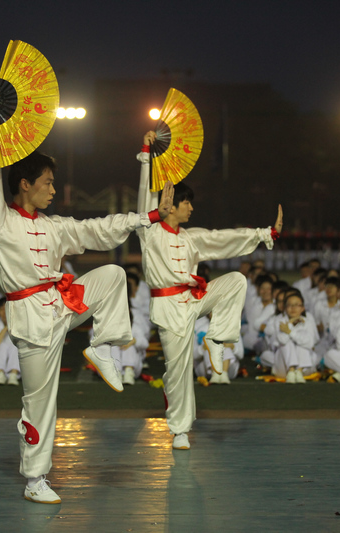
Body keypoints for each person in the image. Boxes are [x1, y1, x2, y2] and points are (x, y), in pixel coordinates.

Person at [0, 92, 174, 504]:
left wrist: (148, 217)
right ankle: (35, 479)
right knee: (39, 402)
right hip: (30, 320)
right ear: (25, 184)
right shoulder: (1, 221)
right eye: (48, 183)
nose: (54, 189)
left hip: (60, 305)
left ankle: (102, 345)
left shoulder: (54, 226)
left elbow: (98, 229)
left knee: (114, 273)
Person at [137, 130, 282, 448]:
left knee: (236, 281)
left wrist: (263, 233)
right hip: (168, 308)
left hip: (192, 300)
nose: (191, 208)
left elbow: (223, 238)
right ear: (170, 206)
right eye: (186, 202)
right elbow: (144, 199)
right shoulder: (150, 233)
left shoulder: (191, 237)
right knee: (178, 369)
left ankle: (218, 338)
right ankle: (179, 430)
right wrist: (147, 152)